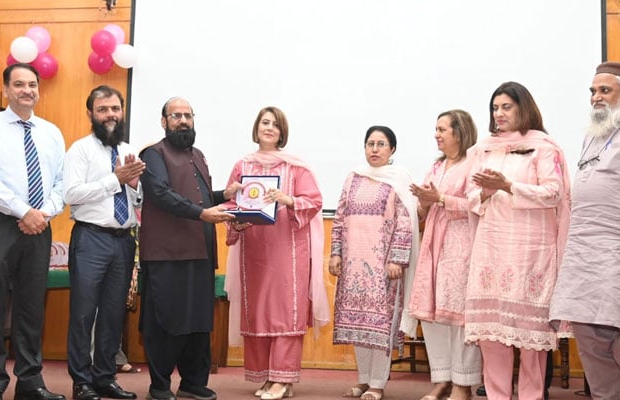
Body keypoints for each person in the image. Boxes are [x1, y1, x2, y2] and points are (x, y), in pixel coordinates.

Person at [549, 61, 620, 399]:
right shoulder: (593, 134)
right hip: (585, 257)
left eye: (605, 90)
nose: (596, 98)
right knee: (591, 346)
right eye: (592, 91)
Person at [464, 81, 571, 400]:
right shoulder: (484, 148)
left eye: (506, 107)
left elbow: (554, 193)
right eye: (495, 108)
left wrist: (508, 186)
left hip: (530, 252)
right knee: (491, 338)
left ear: (524, 108)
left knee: (531, 341)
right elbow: (471, 196)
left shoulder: (544, 147)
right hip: (491, 250)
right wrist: (484, 191)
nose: (499, 113)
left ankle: (531, 396)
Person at [0, 63, 66, 400]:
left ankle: (30, 382)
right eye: (20, 84)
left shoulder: (51, 132)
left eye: (33, 84)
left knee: (30, 306)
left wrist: (44, 212)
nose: (28, 90)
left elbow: (60, 183)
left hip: (40, 224)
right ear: (7, 88)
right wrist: (23, 210)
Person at [224, 106, 329, 400]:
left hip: (289, 249)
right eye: (264, 122)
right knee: (257, 309)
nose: (269, 128)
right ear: (256, 127)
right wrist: (236, 214)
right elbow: (232, 206)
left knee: (285, 311)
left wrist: (288, 199)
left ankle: (283, 378)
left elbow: (315, 200)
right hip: (254, 250)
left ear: (282, 132)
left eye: (275, 124)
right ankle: (269, 377)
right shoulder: (242, 165)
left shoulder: (296, 167)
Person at [139, 97, 238, 400]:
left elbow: (201, 199)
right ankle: (159, 386)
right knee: (166, 321)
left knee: (198, 323)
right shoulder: (153, 154)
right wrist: (203, 214)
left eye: (187, 116)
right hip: (167, 255)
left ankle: (192, 382)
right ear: (163, 121)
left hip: (200, 253)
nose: (183, 121)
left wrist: (225, 194)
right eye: (176, 115)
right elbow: (160, 193)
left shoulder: (198, 155)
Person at [63, 85, 144, 400]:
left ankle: (105, 377)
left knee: (113, 314)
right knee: (84, 313)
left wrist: (135, 186)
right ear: (91, 114)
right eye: (103, 109)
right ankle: (81, 381)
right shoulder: (80, 149)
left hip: (124, 240)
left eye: (115, 108)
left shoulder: (127, 149)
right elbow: (71, 194)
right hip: (91, 238)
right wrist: (116, 180)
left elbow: (135, 200)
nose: (111, 115)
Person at [328, 125, 419, 400]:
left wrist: (397, 260)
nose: (375, 149)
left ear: (392, 150)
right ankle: (363, 380)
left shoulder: (398, 180)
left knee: (380, 326)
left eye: (381, 144)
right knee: (358, 325)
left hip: (383, 268)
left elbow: (405, 223)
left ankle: (378, 383)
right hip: (353, 266)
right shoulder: (353, 178)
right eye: (370, 144)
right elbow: (341, 217)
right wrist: (336, 253)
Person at [408, 110, 480, 400]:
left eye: (442, 130)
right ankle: (441, 380)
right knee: (433, 316)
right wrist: (424, 205)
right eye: (435, 129)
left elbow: (476, 203)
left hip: (460, 244)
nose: (436, 135)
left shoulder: (473, 164)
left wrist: (440, 199)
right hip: (433, 245)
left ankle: (463, 384)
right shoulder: (436, 167)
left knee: (460, 315)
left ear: (459, 133)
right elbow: (422, 209)